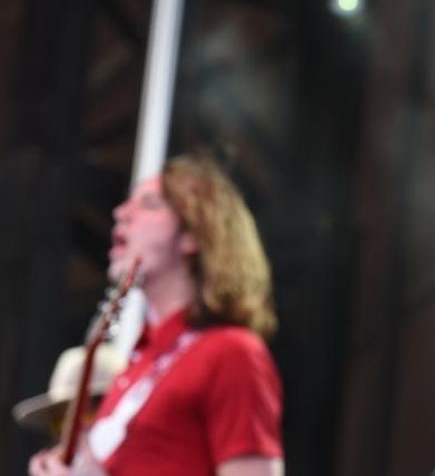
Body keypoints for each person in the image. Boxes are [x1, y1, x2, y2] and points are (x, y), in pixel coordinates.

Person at [28, 153, 284, 476]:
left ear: (195, 234)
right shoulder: (135, 369)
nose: (121, 213)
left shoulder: (232, 353)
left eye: (149, 204)